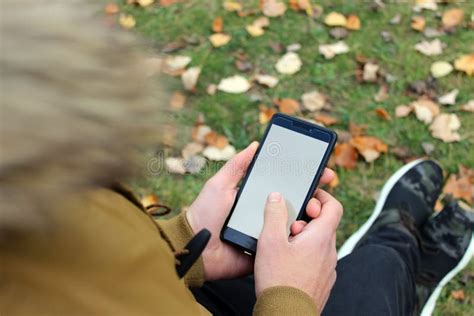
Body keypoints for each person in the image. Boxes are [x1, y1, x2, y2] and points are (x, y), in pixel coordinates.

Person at [1, 1, 472, 315]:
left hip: (177, 291)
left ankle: (397, 251)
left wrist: (183, 246)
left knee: (359, 268)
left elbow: (82, 263)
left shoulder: (26, 181)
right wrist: (289, 300)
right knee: (377, 272)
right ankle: (407, 263)